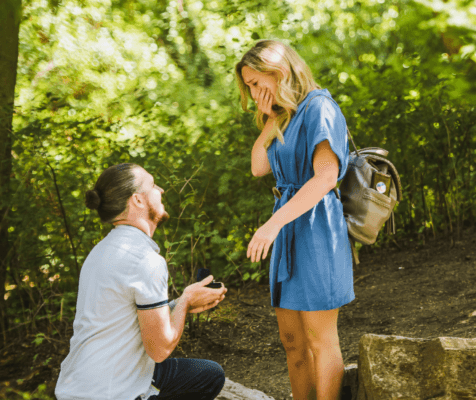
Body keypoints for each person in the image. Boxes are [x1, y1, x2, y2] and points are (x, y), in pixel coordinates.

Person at [235, 40, 354, 400]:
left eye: (257, 82)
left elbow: (325, 177)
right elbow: (258, 166)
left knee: (320, 341)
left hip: (317, 228)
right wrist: (272, 115)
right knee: (292, 342)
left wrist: (272, 225)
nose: (253, 92)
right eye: (249, 86)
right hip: (288, 226)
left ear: (280, 70)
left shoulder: (320, 107)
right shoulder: (285, 115)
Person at [55, 163, 228, 400]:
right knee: (209, 377)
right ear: (137, 200)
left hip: (77, 387)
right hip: (111, 392)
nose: (162, 190)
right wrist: (186, 301)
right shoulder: (144, 260)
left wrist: (177, 304)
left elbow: (124, 319)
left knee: (208, 374)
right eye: (153, 185)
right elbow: (160, 349)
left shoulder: (102, 251)